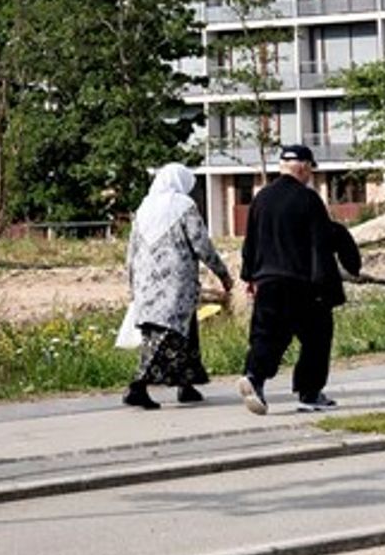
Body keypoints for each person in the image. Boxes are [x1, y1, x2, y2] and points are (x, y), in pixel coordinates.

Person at [235, 143, 360, 415]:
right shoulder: (308, 199)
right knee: (317, 337)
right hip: (302, 283)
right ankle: (310, 392)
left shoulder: (261, 199)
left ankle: (254, 377)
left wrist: (249, 277)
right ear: (303, 167)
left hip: (266, 280)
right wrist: (326, 286)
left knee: (267, 335)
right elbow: (320, 244)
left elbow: (251, 242)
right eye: (310, 169)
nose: (310, 174)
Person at [117, 162, 233, 410]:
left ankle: (186, 385)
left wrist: (133, 287)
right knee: (165, 336)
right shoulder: (184, 206)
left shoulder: (144, 207)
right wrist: (223, 274)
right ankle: (137, 386)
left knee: (183, 333)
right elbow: (202, 245)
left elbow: (131, 253)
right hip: (175, 285)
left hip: (146, 284)